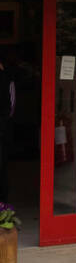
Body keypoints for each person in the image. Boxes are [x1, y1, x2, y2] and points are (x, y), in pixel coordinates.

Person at [0, 54, 15, 203]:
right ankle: (2, 201)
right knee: (2, 164)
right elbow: (11, 106)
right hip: (2, 126)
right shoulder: (8, 79)